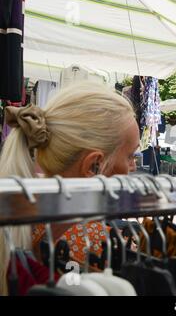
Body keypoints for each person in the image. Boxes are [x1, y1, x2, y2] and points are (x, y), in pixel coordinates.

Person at [0, 82, 139, 294]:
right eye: (131, 156)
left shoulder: (24, 210)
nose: (134, 166)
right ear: (94, 165)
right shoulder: (88, 240)